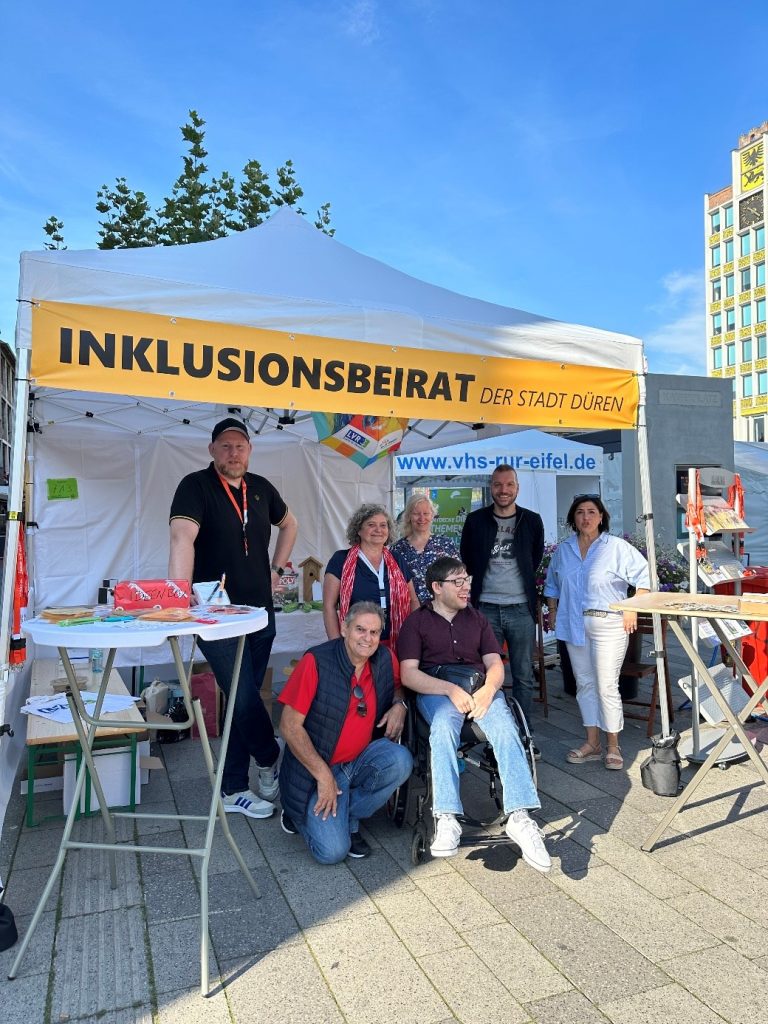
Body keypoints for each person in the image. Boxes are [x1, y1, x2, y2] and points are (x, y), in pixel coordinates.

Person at [169, 417, 298, 818]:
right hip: (215, 616)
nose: (233, 453)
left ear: (250, 451)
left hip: (259, 613)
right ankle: (269, 753)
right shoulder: (195, 485)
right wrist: (177, 596)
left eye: (240, 446)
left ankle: (233, 789)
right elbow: (181, 539)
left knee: (244, 698)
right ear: (212, 450)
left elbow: (290, 524)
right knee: (242, 696)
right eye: (225, 446)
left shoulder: (261, 488)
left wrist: (276, 570)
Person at [398, 556, 551, 871]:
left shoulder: (477, 619)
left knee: (507, 728)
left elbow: (495, 663)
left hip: (480, 688)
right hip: (438, 691)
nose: (466, 586)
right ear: (437, 588)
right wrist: (449, 690)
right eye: (458, 582)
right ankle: (447, 817)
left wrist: (488, 690)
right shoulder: (416, 622)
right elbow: (409, 674)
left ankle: (520, 817)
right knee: (442, 727)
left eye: (466, 579)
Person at [278, 602, 413, 863]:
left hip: (360, 759)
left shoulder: (384, 658)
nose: (368, 638)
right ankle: (299, 814)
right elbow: (289, 726)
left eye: (374, 632)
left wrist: (400, 705)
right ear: (344, 629)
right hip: (320, 766)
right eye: (360, 629)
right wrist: (324, 776)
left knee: (400, 760)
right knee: (332, 853)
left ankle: (346, 815)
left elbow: (399, 687)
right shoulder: (316, 661)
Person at [543, 494, 650, 771]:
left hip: (609, 624)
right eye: (580, 512)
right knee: (585, 684)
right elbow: (553, 584)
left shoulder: (615, 547)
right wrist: (552, 610)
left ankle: (613, 745)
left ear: (602, 517)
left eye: (592, 511)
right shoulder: (564, 550)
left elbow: (644, 576)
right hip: (573, 624)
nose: (586, 517)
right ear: (573, 519)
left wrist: (632, 608)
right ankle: (592, 743)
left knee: (606, 684)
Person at [460, 464, 544, 736]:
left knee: (523, 675)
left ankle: (523, 731)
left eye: (509, 485)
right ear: (491, 488)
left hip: (521, 609)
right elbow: (467, 559)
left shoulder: (531, 520)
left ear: (517, 488)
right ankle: (490, 731)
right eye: (498, 485)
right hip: (484, 609)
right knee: (484, 674)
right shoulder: (475, 520)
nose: (503, 490)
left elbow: (535, 557)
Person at [323, 503, 419, 648]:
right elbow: (329, 606)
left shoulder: (397, 559)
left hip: (398, 642)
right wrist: (336, 645)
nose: (378, 530)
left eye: (383, 525)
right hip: (357, 644)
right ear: (359, 530)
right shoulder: (340, 559)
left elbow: (413, 601)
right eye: (371, 524)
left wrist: (414, 637)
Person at [391, 494, 459, 604]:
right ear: (408, 516)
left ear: (432, 515)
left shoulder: (446, 544)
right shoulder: (398, 548)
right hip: (410, 611)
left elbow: (458, 577)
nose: (422, 518)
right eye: (416, 514)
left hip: (443, 609)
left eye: (426, 513)